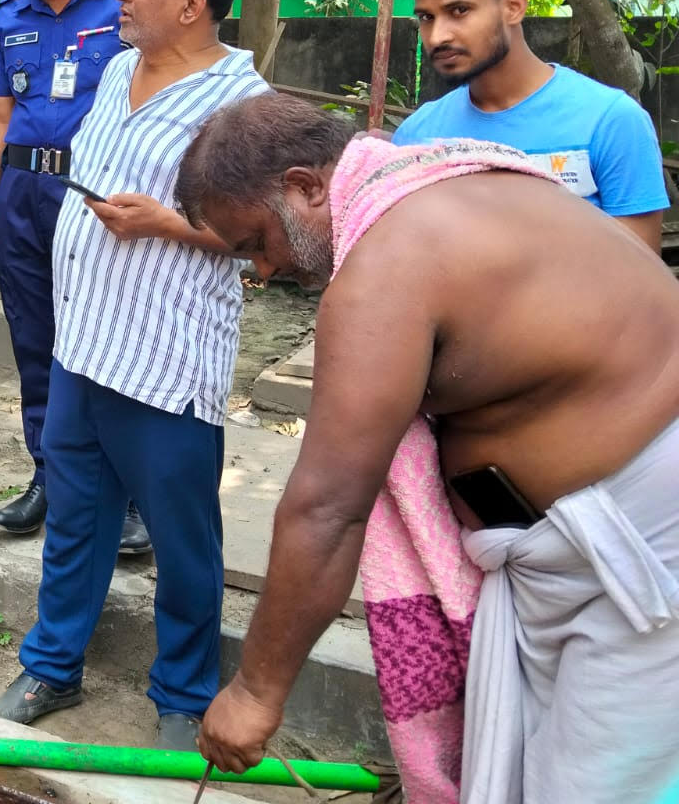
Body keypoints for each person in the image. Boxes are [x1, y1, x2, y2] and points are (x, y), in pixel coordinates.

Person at [177, 93, 679, 804]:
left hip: (643, 553)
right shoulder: (448, 182)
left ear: (304, 186)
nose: (262, 270)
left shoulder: (384, 268)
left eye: (256, 242)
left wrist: (256, 691)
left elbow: (327, 508)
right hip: (593, 548)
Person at [0, 0, 270, 750]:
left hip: (167, 358)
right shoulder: (115, 72)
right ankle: (52, 665)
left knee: (182, 539)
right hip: (85, 344)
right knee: (77, 520)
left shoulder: (238, 103)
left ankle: (183, 693)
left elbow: (261, 240)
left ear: (192, 3)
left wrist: (166, 224)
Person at [0, 0, 148, 554]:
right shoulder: (7, 17)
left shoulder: (124, 2)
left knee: (109, 341)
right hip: (23, 194)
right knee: (34, 341)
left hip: (95, 193)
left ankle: (125, 498)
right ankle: (49, 478)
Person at [395, 0, 666, 252]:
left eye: (459, 10)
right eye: (427, 18)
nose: (438, 37)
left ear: (513, 7)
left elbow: (638, 275)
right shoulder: (416, 136)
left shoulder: (610, 121)